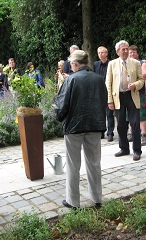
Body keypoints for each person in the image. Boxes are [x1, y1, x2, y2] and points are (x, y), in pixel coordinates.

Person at [54, 50, 107, 209]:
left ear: (75, 64)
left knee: (73, 165)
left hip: (74, 127)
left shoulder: (71, 80)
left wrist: (59, 117)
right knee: (94, 163)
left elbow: (61, 105)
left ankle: (73, 201)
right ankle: (97, 198)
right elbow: (103, 101)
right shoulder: (99, 79)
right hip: (94, 125)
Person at [106, 40, 144, 161]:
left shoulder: (135, 63)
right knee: (121, 125)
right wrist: (110, 100)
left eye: (127, 49)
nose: (126, 51)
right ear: (117, 51)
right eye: (123, 49)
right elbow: (108, 83)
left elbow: (141, 80)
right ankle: (124, 148)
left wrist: (135, 85)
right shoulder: (112, 64)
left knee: (135, 124)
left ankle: (137, 150)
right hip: (118, 97)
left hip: (132, 95)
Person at [128, 45, 146, 146]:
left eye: (134, 52)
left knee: (141, 115)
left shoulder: (142, 63)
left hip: (139, 92)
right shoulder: (126, 63)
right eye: (130, 52)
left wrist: (133, 77)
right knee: (130, 115)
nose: (132, 54)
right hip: (128, 93)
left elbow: (145, 74)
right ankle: (132, 133)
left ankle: (144, 135)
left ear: (138, 53)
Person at [93, 46, 114, 142]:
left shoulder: (112, 63)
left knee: (109, 113)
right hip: (99, 91)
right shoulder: (96, 64)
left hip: (109, 91)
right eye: (98, 53)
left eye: (102, 52)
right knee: (100, 113)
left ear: (106, 53)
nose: (100, 54)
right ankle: (101, 131)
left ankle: (110, 133)